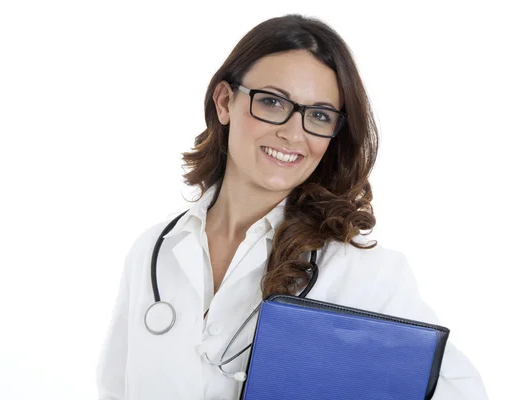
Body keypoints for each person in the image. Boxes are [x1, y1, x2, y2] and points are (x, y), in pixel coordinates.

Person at [96, 14, 488, 400]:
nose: (293, 132)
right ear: (224, 102)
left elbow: (461, 392)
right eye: (272, 102)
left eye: (319, 115)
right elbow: (114, 389)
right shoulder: (154, 252)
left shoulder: (363, 272)